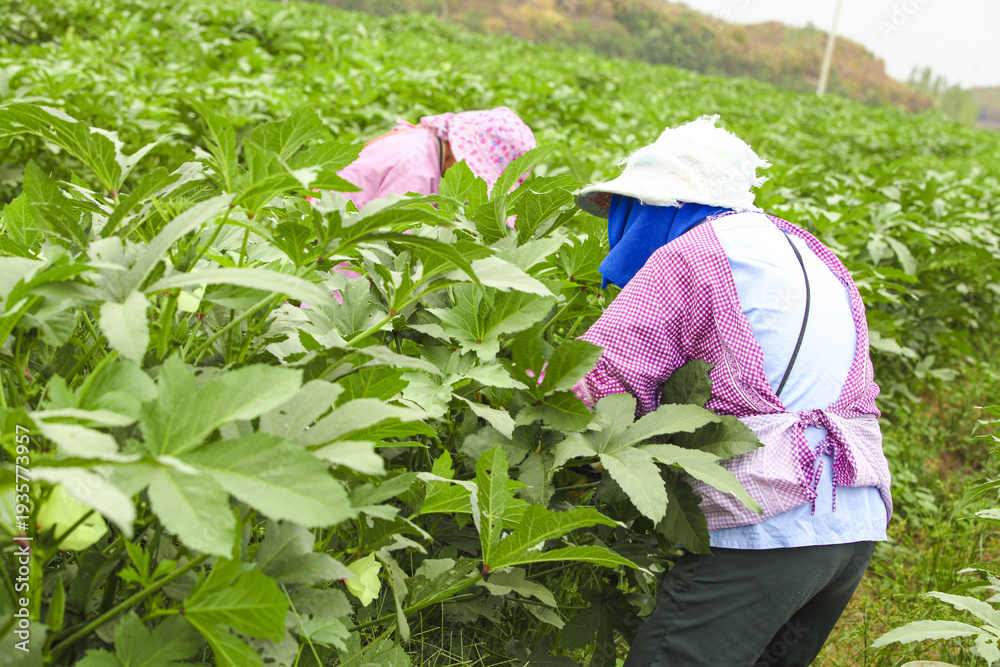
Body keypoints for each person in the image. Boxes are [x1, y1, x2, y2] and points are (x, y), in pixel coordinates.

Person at [571, 116, 892, 667]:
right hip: (851, 521)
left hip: (766, 523)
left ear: (654, 208)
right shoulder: (810, 251)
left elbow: (597, 383)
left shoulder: (687, 254)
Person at [333, 106, 536, 208]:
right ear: (458, 153)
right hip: (330, 255)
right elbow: (391, 243)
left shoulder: (426, 145)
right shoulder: (416, 172)